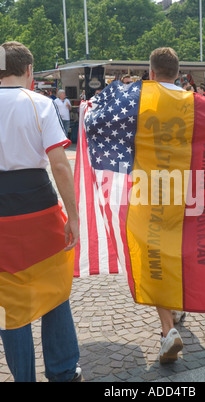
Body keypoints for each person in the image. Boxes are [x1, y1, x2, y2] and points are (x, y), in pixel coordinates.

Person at [0, 41, 80, 382]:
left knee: (8, 300)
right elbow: (60, 166)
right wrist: (74, 216)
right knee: (54, 287)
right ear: (29, 70)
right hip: (38, 205)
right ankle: (62, 370)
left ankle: (23, 377)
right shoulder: (40, 103)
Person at [148, 47, 186, 364]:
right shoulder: (194, 102)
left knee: (156, 257)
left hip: (152, 190)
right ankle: (178, 303)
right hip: (188, 190)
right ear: (178, 73)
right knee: (181, 249)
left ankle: (167, 329)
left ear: (152, 72)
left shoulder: (141, 100)